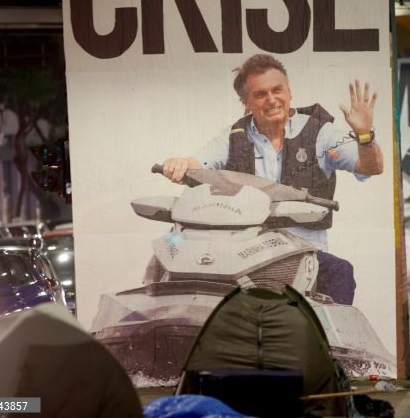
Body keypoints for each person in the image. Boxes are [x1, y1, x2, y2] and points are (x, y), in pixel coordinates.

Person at [161, 53, 383, 305]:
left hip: (302, 254)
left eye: (277, 90)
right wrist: (180, 165)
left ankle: (328, 344)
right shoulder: (234, 137)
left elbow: (371, 167)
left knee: (340, 271)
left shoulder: (322, 134)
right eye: (260, 94)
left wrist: (365, 135)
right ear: (246, 102)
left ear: (289, 92)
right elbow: (200, 163)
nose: (272, 100)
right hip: (245, 253)